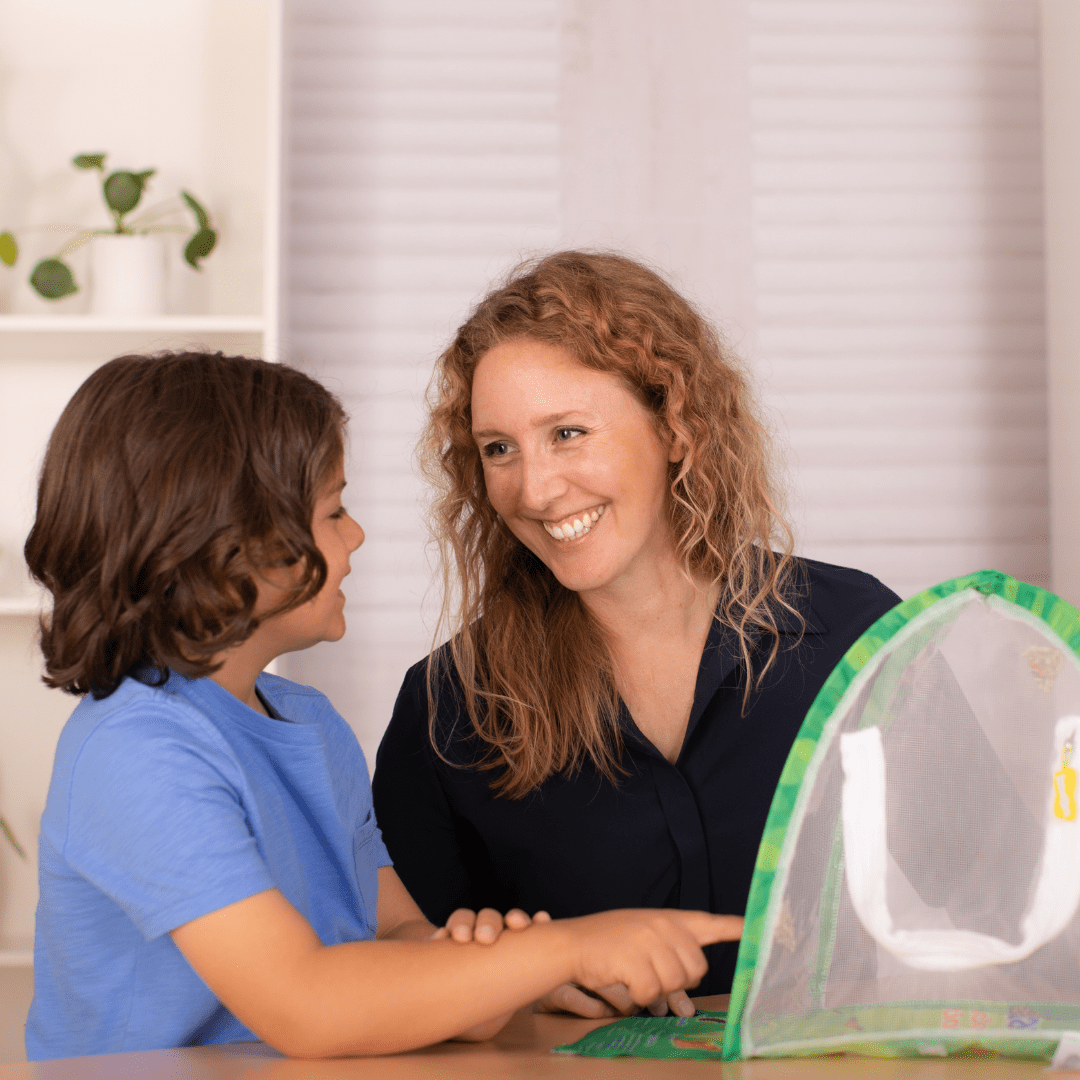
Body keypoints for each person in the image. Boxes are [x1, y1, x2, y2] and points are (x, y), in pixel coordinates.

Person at [22, 351, 742, 1060]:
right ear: (225, 547)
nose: (356, 534)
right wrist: (567, 946)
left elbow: (397, 935)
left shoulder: (309, 725)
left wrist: (494, 973)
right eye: (334, 511)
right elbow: (306, 1004)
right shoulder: (137, 750)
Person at [372, 250, 901, 1017]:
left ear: (676, 429)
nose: (536, 488)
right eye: (499, 449)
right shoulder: (449, 707)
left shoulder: (860, 635)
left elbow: (999, 892)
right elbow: (400, 963)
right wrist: (515, 977)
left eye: (569, 433)